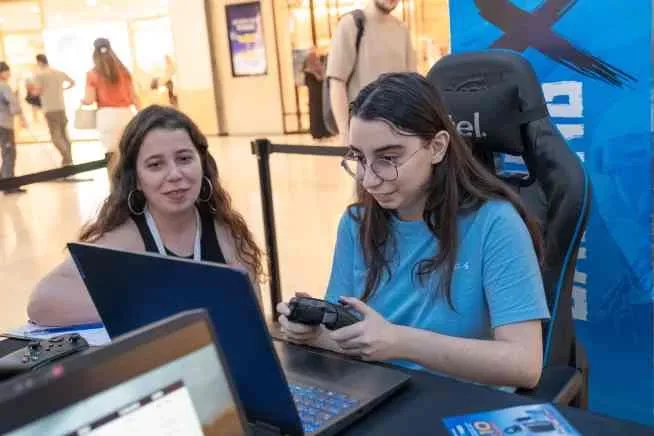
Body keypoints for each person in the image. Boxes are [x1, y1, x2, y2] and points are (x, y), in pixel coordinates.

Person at [277, 73, 550, 390]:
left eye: (388, 158)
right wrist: (315, 334)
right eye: (359, 158)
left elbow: (524, 364)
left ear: (436, 147)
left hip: (463, 404)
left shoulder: (495, 223)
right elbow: (353, 337)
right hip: (378, 391)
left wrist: (402, 342)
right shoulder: (356, 223)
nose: (368, 180)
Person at [28, 105, 264, 326]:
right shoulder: (125, 239)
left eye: (184, 159)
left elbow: (255, 325)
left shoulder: (228, 234)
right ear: (136, 179)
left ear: (202, 163)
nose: (174, 174)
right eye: (155, 165)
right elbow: (41, 302)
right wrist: (158, 308)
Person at [326, 0, 416, 143]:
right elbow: (337, 81)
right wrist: (345, 133)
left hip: (398, 129)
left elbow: (412, 83)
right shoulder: (351, 24)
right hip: (363, 129)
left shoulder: (402, 29)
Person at [81, 38, 141, 158]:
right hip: (126, 114)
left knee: (112, 156)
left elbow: (90, 100)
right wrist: (142, 114)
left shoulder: (92, 74)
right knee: (129, 153)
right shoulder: (124, 72)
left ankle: (113, 176)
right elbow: (134, 97)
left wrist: (83, 101)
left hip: (106, 116)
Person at [32, 54, 75, 166]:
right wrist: (62, 89)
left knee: (55, 136)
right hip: (61, 107)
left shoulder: (40, 75)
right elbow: (72, 82)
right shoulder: (59, 72)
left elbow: (37, 91)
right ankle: (68, 160)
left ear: (39, 62)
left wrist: (34, 93)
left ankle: (66, 158)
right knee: (64, 134)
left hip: (49, 108)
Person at [0, 62, 28, 194]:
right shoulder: (4, 86)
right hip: (4, 124)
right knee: (9, 154)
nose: (9, 74)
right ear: (2, 72)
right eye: (7, 71)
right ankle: (9, 186)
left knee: (6, 153)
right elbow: (14, 103)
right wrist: (22, 117)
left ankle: (4, 181)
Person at [303, 48, 330, 139]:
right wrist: (315, 73)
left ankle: (326, 132)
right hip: (314, 99)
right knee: (316, 116)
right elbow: (309, 82)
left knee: (323, 113)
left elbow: (322, 78)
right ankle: (317, 133)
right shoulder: (307, 71)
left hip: (321, 97)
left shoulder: (320, 67)